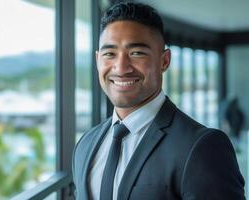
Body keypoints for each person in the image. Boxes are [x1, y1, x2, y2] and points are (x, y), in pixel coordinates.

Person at [72, 2, 245, 200]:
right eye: (109, 54)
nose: (121, 67)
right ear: (97, 60)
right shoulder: (86, 144)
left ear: (164, 61)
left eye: (137, 53)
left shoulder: (202, 147)